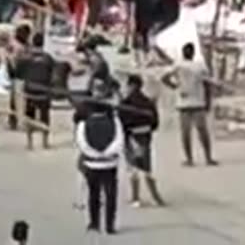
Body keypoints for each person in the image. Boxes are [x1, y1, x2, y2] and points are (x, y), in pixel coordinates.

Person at [161, 42, 217, 166]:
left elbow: (164, 78)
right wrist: (208, 101)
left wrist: (175, 86)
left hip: (187, 102)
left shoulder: (181, 66)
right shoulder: (199, 66)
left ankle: (192, 158)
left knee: (189, 133)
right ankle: (205, 157)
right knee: (199, 132)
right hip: (194, 103)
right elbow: (207, 85)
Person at [76, 99, 123, 234]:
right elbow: (119, 141)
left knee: (93, 194)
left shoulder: (83, 124)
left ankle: (94, 223)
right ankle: (110, 225)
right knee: (111, 196)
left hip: (92, 164)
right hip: (110, 164)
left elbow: (82, 143)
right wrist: (107, 153)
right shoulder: (115, 122)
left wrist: (95, 154)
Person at [119, 73, 165, 207]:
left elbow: (122, 122)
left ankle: (135, 198)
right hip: (145, 136)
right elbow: (155, 123)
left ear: (131, 86)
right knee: (147, 168)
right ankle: (155, 197)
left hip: (131, 136)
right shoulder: (148, 102)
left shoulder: (125, 103)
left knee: (133, 168)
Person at [16, 32, 56, 150]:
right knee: (45, 116)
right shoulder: (48, 58)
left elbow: (18, 74)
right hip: (44, 90)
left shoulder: (25, 58)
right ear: (43, 43)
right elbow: (54, 75)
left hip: (30, 90)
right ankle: (45, 142)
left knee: (30, 116)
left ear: (33, 43)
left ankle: (30, 142)